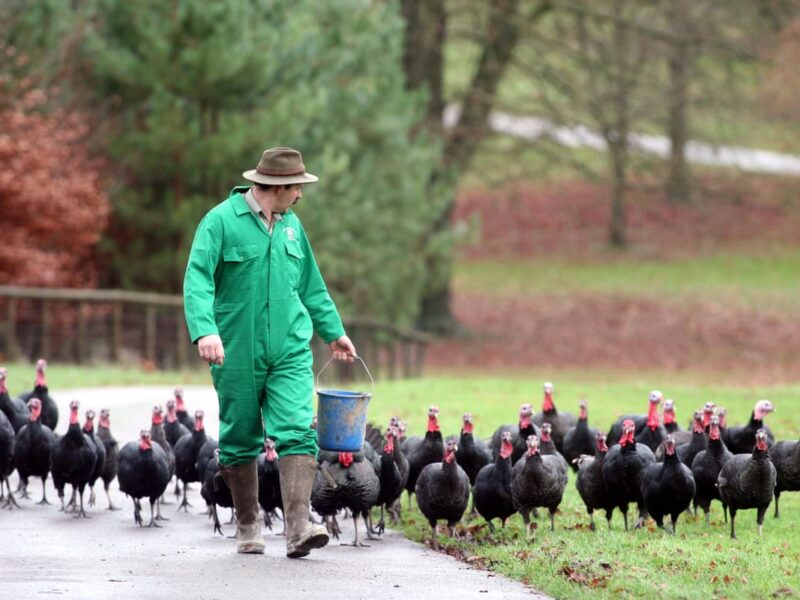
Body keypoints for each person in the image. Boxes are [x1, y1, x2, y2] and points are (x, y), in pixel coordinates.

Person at [183, 146, 356, 557]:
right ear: (278, 187)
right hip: (236, 350)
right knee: (241, 435)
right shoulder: (220, 222)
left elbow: (312, 286)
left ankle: (298, 527)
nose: (300, 195)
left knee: (297, 427)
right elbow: (198, 279)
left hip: (290, 348)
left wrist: (334, 332)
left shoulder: (293, 228)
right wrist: (205, 330)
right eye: (297, 187)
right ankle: (248, 524)